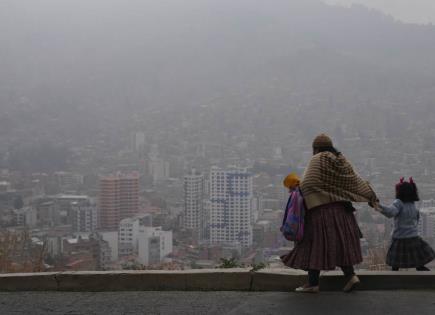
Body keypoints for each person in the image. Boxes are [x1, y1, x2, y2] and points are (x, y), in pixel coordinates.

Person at [281, 134, 377, 293]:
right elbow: (354, 181)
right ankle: (351, 276)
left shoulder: (317, 159)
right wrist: (370, 196)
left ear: (315, 148)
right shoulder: (341, 161)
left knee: (314, 245)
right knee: (340, 245)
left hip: (321, 212)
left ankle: (313, 284)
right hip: (343, 212)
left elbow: (308, 184)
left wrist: (299, 190)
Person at [373, 178, 435, 271]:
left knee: (396, 262)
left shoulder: (399, 203)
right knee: (417, 258)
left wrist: (378, 206)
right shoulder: (412, 204)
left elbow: (390, 212)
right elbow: (416, 218)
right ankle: (421, 270)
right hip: (413, 237)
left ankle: (394, 276)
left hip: (400, 237)